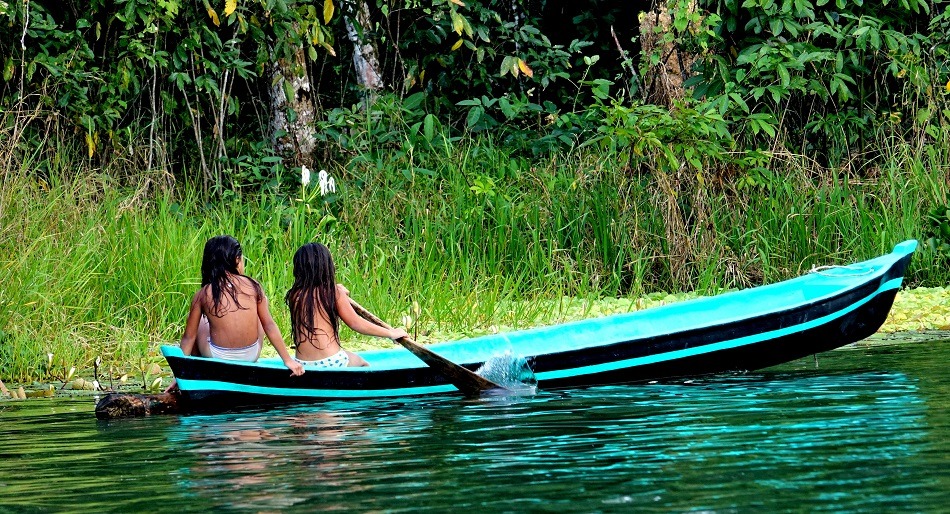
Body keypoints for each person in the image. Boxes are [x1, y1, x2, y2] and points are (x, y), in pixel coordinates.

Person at [169, 235, 303, 393]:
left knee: (199, 324)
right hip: (251, 355)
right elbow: (269, 325)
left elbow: (188, 337)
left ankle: (200, 370)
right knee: (261, 318)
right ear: (236, 260)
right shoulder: (254, 286)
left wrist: (179, 376)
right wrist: (288, 360)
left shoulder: (203, 294)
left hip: (218, 357)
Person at [285, 242, 408, 367]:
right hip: (331, 362)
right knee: (363, 364)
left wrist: (337, 291)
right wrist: (390, 333)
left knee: (350, 356)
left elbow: (314, 297)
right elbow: (356, 324)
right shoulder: (334, 293)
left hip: (302, 363)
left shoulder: (294, 295)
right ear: (326, 267)